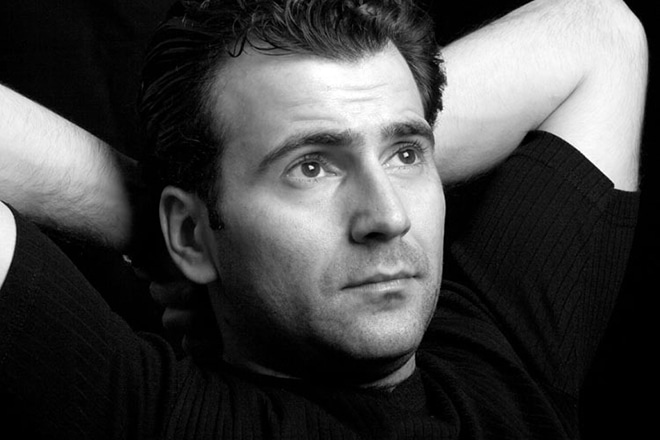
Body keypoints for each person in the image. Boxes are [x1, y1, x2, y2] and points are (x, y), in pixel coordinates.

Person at [0, 0, 648, 438]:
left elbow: (599, 32)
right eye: (311, 168)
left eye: (406, 154)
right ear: (191, 232)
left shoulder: (502, 364)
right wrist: (166, 226)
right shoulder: (152, 414)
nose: (389, 217)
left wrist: (191, 233)